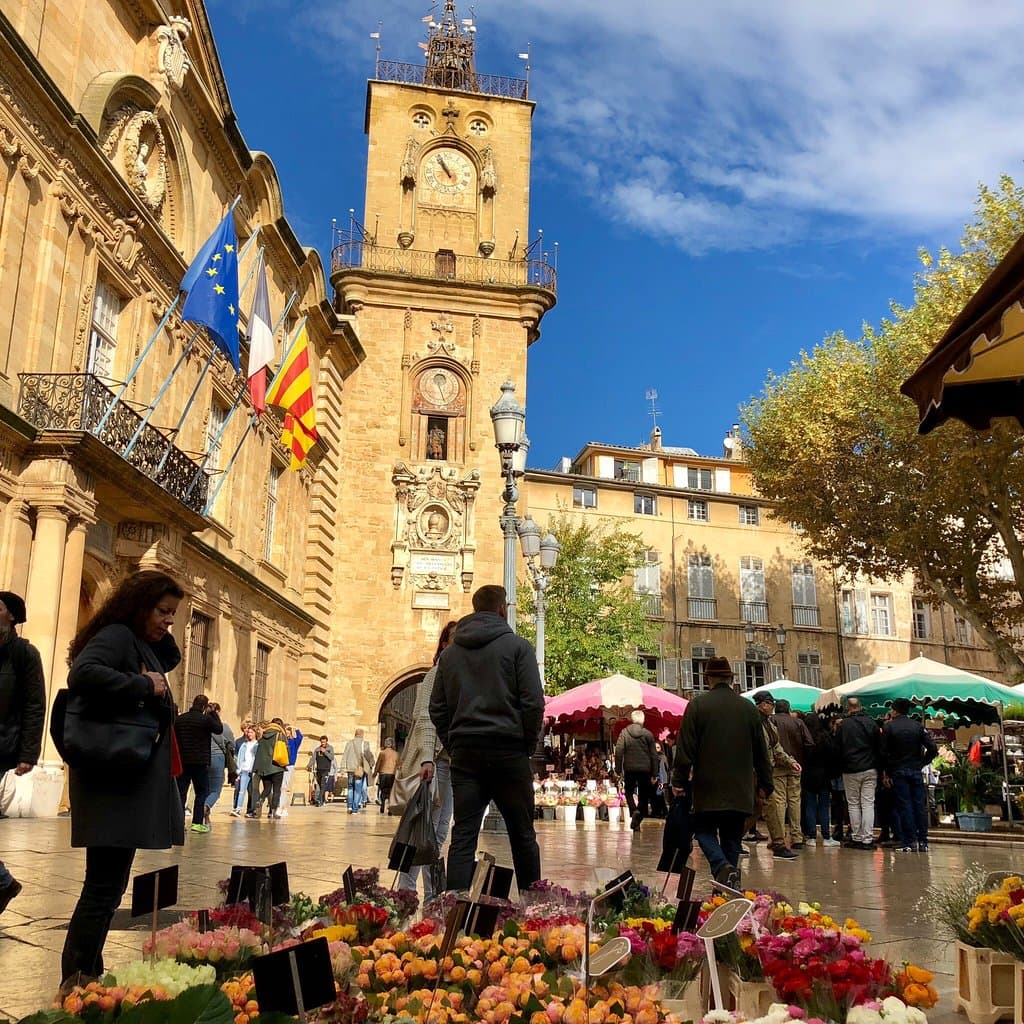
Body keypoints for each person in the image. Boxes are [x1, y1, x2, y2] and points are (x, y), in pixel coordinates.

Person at [60, 569, 185, 986]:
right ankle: (77, 975)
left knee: (109, 886)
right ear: (138, 606)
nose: (169, 621)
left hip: (124, 780)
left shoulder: (139, 642)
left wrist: (156, 642)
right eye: (163, 612)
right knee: (100, 887)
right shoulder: (116, 635)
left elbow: (170, 656)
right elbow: (83, 673)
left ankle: (89, 970)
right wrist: (142, 685)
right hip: (111, 779)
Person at [430, 585, 544, 893]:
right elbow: (533, 702)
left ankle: (456, 909)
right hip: (509, 750)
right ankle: (535, 909)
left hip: (466, 754)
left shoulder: (450, 655)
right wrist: (526, 744)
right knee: (522, 835)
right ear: (502, 609)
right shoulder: (518, 648)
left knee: (464, 833)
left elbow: (436, 707)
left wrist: (454, 742)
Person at [672, 658, 772, 890]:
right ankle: (726, 889)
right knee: (732, 838)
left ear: (708, 679)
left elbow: (685, 750)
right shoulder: (749, 709)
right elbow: (762, 751)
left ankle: (721, 867)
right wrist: (766, 783)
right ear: (732, 679)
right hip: (740, 787)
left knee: (703, 830)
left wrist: (679, 781)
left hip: (708, 787)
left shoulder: (697, 706)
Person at [398, 620, 457, 901]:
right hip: (436, 762)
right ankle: (416, 892)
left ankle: (421, 892)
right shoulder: (437, 673)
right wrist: (426, 759)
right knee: (425, 832)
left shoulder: (456, 674)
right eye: (454, 638)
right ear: (444, 643)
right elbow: (424, 716)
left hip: (449, 764)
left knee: (437, 832)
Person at [0, 590, 44, 914]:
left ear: (11, 616)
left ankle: (2, 881)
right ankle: (2, 882)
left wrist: (28, 752)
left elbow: (34, 704)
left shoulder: (25, 654)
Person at [882, 698, 938, 852]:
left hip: (898, 770)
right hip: (915, 770)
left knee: (904, 805)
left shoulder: (889, 728)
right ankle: (923, 841)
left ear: (895, 710)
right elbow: (933, 748)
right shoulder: (918, 727)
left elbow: (883, 753)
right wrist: (922, 763)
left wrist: (886, 773)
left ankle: (909, 841)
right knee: (919, 805)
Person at [751, 692, 800, 859]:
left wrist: (789, 761)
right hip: (757, 772)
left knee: (759, 809)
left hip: (765, 770)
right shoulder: (754, 723)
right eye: (770, 703)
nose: (772, 707)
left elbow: (776, 746)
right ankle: (778, 845)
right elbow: (762, 750)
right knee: (763, 807)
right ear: (763, 704)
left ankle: (778, 844)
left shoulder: (768, 724)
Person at [837, 697, 882, 849]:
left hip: (850, 769)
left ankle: (856, 836)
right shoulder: (871, 723)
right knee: (868, 803)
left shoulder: (843, 725)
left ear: (847, 708)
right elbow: (878, 746)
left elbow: (838, 747)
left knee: (853, 804)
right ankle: (867, 838)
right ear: (860, 706)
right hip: (869, 767)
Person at [174, 695, 222, 833]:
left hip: (183, 760)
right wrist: (213, 713)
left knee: (181, 792)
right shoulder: (205, 720)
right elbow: (218, 729)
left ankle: (179, 823)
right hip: (199, 761)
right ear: (204, 706)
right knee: (201, 792)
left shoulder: (180, 719)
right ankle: (196, 823)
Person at [770, 698, 812, 849]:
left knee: (779, 801)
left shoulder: (771, 721)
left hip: (777, 766)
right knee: (795, 801)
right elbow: (809, 743)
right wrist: (800, 759)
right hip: (796, 765)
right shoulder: (798, 722)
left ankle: (779, 837)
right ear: (788, 709)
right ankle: (797, 836)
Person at [614, 709, 658, 832]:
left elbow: (619, 751)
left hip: (630, 769)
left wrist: (618, 769)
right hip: (645, 770)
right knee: (644, 795)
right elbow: (654, 755)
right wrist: (654, 773)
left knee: (628, 792)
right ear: (643, 720)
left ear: (632, 720)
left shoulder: (625, 733)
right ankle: (638, 814)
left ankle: (634, 811)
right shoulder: (648, 734)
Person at [800, 712, 840, 846]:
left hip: (807, 774)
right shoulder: (825, 737)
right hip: (823, 775)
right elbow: (833, 755)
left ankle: (811, 836)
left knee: (809, 806)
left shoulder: (804, 738)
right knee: (824, 806)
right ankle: (826, 837)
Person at [204, 703, 234, 824]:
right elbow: (232, 745)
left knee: (203, 790)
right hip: (218, 758)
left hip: (202, 758)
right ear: (217, 712)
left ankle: (205, 817)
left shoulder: (201, 725)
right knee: (215, 790)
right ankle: (205, 807)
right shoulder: (224, 727)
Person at [253, 718, 287, 819]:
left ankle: (261, 799)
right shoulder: (280, 735)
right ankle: (273, 811)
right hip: (277, 766)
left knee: (267, 788)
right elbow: (286, 749)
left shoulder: (262, 735)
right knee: (277, 790)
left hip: (264, 767)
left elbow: (259, 752)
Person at [341, 729, 374, 813]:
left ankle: (349, 807)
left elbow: (345, 755)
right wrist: (371, 764)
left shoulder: (349, 743)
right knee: (358, 790)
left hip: (350, 769)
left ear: (355, 734)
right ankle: (355, 809)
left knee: (350, 788)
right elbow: (369, 756)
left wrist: (342, 768)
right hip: (359, 770)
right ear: (362, 735)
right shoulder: (365, 744)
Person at [232, 725, 258, 816]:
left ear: (255, 733)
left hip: (253, 771)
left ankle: (251, 810)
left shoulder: (257, 745)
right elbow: (240, 758)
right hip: (244, 770)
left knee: (252, 792)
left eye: (252, 732)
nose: (249, 734)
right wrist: (238, 771)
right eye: (249, 732)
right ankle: (238, 809)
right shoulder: (244, 745)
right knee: (241, 790)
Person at [280, 723, 303, 811]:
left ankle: (283, 805)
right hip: (281, 764)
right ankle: (280, 804)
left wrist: (295, 728)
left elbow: (300, 737)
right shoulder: (281, 741)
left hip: (289, 765)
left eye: (288, 731)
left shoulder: (294, 742)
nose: (287, 732)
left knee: (285, 786)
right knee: (280, 786)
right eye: (285, 731)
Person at [374, 738, 400, 813]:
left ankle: (382, 805)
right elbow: (399, 765)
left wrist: (375, 773)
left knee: (383, 790)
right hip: (392, 774)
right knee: (391, 791)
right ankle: (390, 808)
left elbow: (378, 764)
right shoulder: (396, 754)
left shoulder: (382, 753)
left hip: (383, 774)